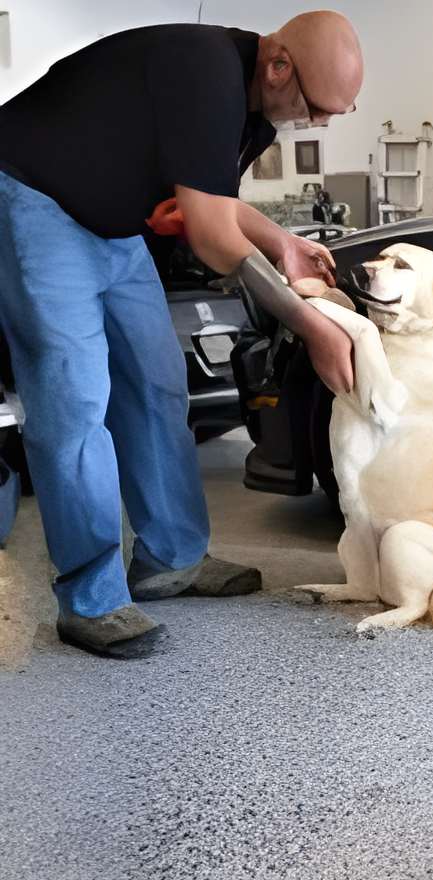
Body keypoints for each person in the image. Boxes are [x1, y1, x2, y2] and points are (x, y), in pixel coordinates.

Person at [0, 11, 363, 658]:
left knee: (157, 381)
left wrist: (282, 242)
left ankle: (172, 559)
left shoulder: (256, 108)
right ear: (278, 64)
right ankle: (91, 598)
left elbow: (215, 204)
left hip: (111, 225)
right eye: (315, 109)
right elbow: (211, 235)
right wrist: (310, 326)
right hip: (33, 198)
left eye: (334, 115)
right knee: (74, 398)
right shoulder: (206, 70)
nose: (319, 124)